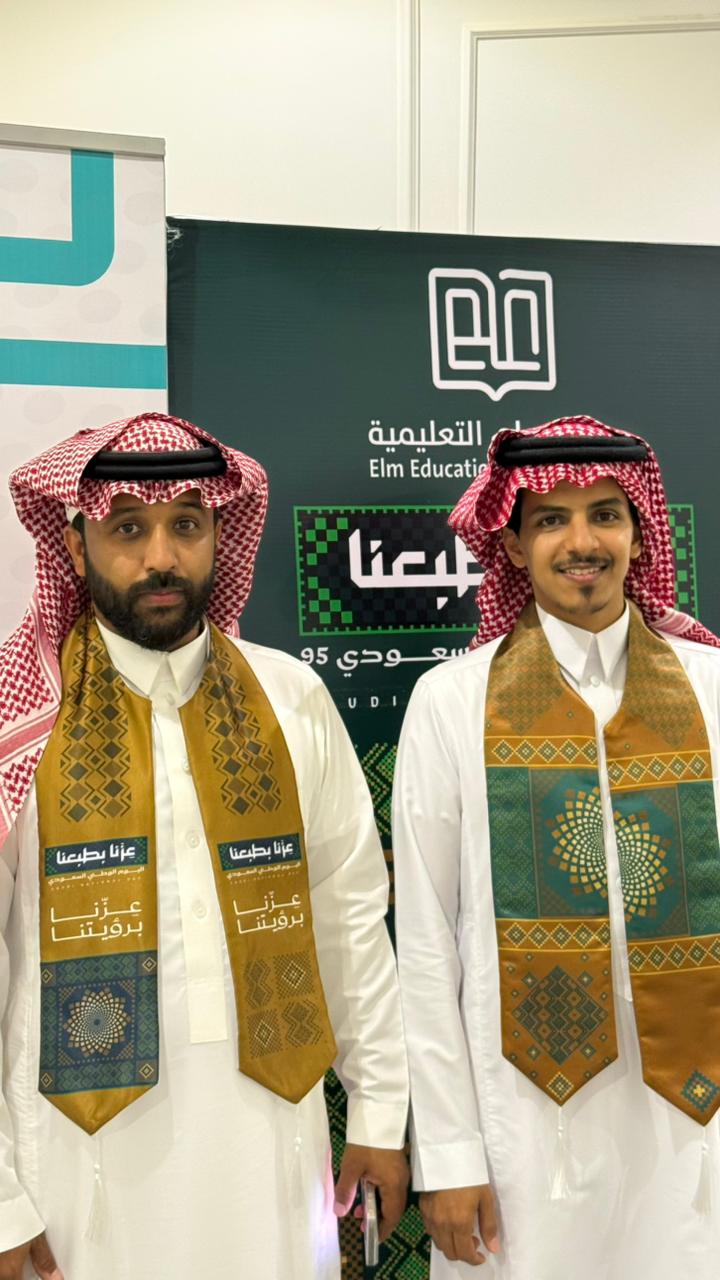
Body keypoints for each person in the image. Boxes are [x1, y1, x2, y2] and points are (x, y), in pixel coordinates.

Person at [0, 411, 409, 1280]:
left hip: (269, 1143)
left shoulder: (290, 697)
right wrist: (1, 1199)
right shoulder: (20, 723)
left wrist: (378, 1112)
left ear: (221, 534)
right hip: (77, 1163)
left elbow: (349, 918)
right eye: (128, 529)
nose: (161, 558)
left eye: (186, 525)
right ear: (73, 545)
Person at [392, 414, 720, 1280]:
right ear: (511, 545)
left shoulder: (712, 689)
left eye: (606, 515)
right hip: (522, 1133)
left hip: (697, 1123)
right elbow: (425, 944)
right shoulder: (451, 702)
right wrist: (449, 1155)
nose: (582, 543)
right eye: (551, 521)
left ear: (640, 534)